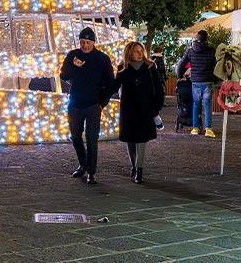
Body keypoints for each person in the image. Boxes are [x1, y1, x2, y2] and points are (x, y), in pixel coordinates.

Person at [59, 26, 114, 184]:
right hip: (75, 103)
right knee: (75, 136)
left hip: (93, 105)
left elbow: (110, 83)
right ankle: (82, 163)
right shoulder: (73, 55)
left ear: (93, 43)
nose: (85, 45)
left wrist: (101, 103)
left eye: (88, 42)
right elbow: (64, 75)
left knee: (91, 138)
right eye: (82, 42)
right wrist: (73, 67)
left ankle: (91, 171)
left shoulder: (102, 59)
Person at [110, 40, 164, 184]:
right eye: (137, 51)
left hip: (145, 108)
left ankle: (139, 169)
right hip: (128, 109)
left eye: (142, 51)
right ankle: (133, 165)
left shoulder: (150, 66)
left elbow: (158, 87)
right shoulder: (123, 67)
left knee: (142, 139)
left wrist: (156, 106)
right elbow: (115, 86)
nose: (140, 54)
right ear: (129, 53)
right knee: (130, 139)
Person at [177, 30, 219, 138]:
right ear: (206, 38)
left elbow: (180, 65)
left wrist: (180, 76)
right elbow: (216, 67)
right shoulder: (212, 51)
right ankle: (208, 129)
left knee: (196, 105)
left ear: (197, 38)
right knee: (208, 105)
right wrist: (215, 79)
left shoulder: (190, 51)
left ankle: (195, 128)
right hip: (208, 81)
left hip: (195, 81)